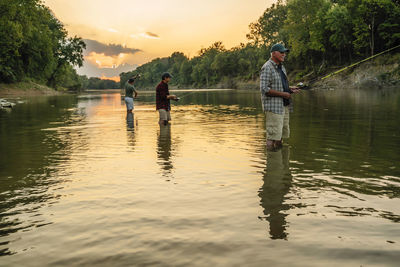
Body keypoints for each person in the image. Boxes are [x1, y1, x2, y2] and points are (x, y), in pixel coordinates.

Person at [260, 43, 301, 151]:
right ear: (273, 53)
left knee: (280, 135)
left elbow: (280, 85)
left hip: (284, 106)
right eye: (281, 52)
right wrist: (283, 94)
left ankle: (280, 163)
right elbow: (264, 89)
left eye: (285, 53)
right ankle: (272, 160)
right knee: (272, 136)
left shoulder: (282, 67)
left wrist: (290, 89)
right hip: (274, 108)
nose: (284, 54)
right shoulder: (267, 67)